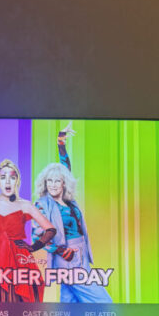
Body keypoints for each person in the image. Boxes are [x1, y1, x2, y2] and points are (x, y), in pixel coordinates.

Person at [32, 124, 112, 303]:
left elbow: (65, 168)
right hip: (68, 258)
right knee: (103, 302)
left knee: (70, 303)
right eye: (49, 181)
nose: (53, 185)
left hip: (81, 253)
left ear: (64, 183)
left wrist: (61, 140)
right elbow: (37, 235)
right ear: (45, 183)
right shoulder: (43, 204)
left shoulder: (69, 201)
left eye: (57, 181)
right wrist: (61, 250)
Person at [0, 159, 56, 302]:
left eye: (12, 177)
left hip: (20, 260)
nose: (7, 181)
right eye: (3, 177)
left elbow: (50, 229)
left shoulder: (25, 205)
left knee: (21, 303)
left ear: (17, 181)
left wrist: (34, 247)